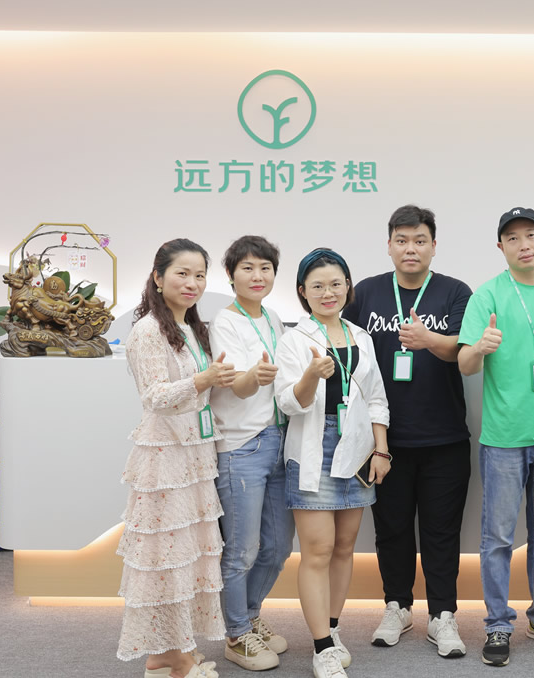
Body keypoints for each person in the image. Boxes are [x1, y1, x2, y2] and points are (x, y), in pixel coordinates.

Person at [342, 205, 473, 658]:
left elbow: (464, 352)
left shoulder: (455, 292)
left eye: (419, 240)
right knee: (392, 530)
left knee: (442, 532)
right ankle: (396, 606)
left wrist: (427, 340)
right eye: (402, 240)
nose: (410, 248)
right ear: (389, 245)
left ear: (434, 246)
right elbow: (343, 345)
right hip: (384, 441)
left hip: (445, 438)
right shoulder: (365, 293)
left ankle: (443, 615)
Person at [457, 207, 534, 667]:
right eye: (512, 238)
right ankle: (497, 624)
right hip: (505, 440)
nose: (523, 244)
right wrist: (479, 348)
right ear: (501, 247)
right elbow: (464, 364)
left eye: (531, 235)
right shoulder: (487, 295)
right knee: (497, 538)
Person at [274, 248, 392, 678]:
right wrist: (311, 376)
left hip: (358, 446)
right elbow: (288, 403)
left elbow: (376, 399)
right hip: (314, 447)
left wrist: (381, 450)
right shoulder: (294, 339)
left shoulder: (361, 336)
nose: (328, 292)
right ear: (303, 292)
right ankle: (321, 646)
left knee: (345, 547)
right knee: (318, 550)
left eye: (336, 284)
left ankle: (333, 628)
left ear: (348, 287)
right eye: (318, 286)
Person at [117, 239, 230, 678]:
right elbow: (154, 396)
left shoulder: (192, 328)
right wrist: (204, 379)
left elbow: (198, 390)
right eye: (182, 273)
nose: (192, 283)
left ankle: (169, 654)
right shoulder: (148, 330)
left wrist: (220, 379)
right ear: (158, 277)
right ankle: (171, 657)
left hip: (194, 455)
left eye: (200, 275)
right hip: (164, 460)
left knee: (187, 555)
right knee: (166, 558)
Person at [208, 235, 294, 671]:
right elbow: (236, 386)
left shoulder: (274, 317)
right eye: (248, 268)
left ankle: (251, 615)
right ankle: (237, 635)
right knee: (241, 550)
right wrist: (254, 377)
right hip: (242, 446)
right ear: (231, 274)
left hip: (278, 441)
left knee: (277, 547)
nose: (257, 276)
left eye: (265, 268)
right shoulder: (224, 323)